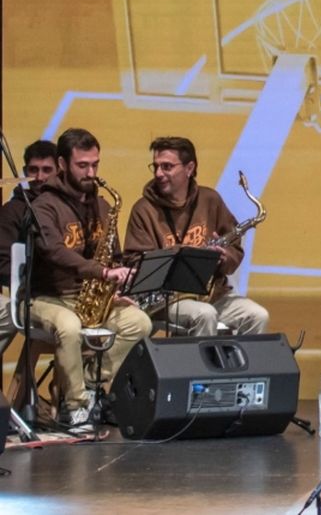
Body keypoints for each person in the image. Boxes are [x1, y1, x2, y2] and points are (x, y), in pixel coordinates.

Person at [29, 128, 152, 435]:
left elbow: (114, 256)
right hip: (48, 297)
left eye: (95, 164)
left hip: (92, 296)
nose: (91, 172)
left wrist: (117, 286)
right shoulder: (44, 205)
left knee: (139, 322)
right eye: (82, 165)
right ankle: (75, 407)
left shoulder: (102, 205)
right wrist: (101, 273)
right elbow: (53, 251)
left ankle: (93, 387)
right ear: (62, 164)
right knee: (69, 327)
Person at [123, 137, 269, 336]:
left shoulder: (210, 200)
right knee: (205, 315)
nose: (158, 174)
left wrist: (224, 256)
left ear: (189, 168)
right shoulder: (143, 209)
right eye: (155, 166)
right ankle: (196, 368)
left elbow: (235, 248)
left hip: (213, 295)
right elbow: (134, 263)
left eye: (167, 167)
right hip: (168, 300)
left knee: (258, 315)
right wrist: (182, 256)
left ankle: (244, 368)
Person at [1, 141, 59, 352]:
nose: (40, 177)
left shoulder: (69, 206)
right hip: (33, 295)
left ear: (60, 170)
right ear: (25, 172)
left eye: (47, 170)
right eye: (33, 170)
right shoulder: (13, 211)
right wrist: (37, 279)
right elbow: (3, 264)